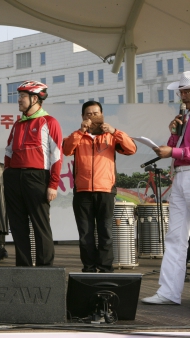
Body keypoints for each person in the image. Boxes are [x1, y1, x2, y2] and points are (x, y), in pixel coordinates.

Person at [63, 101, 136, 273]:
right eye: (88, 114)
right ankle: (88, 268)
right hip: (83, 192)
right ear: (83, 117)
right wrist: (81, 131)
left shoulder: (110, 136)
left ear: (102, 115)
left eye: (96, 113)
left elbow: (131, 148)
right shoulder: (78, 136)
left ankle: (105, 268)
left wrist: (114, 131)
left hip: (106, 191)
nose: (92, 117)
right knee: (85, 234)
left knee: (106, 233)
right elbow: (66, 150)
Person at [142, 71, 190, 305]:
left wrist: (174, 151)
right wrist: (173, 136)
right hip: (180, 176)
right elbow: (176, 148)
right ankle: (169, 292)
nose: (183, 95)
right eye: (181, 91)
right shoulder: (184, 116)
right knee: (174, 237)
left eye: (187, 90)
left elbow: (180, 151)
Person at [4, 80, 62, 267]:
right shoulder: (18, 124)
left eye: (22, 96)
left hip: (37, 178)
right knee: (18, 227)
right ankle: (23, 269)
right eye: (19, 96)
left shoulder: (49, 122)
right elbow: (8, 152)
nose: (19, 100)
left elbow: (57, 156)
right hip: (14, 178)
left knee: (40, 226)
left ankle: (46, 271)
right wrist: (8, 174)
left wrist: (53, 184)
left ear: (35, 98)